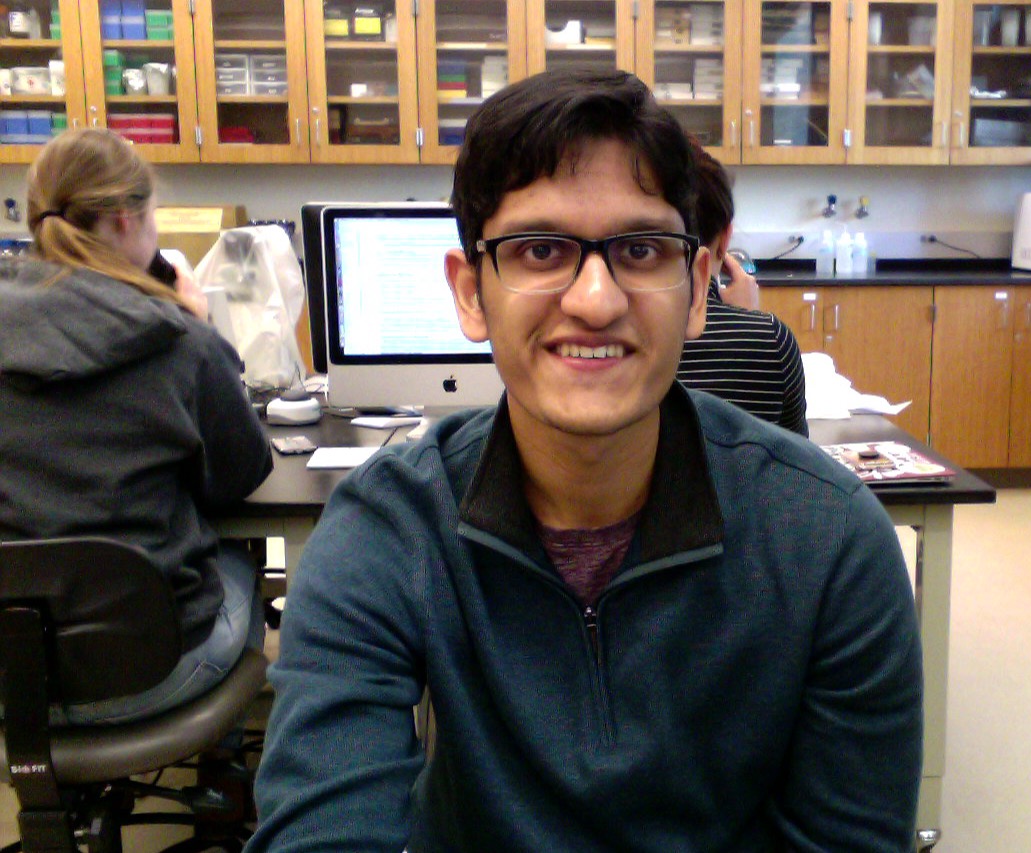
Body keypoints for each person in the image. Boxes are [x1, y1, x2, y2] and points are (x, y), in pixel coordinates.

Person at [249, 68, 922, 852]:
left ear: (697, 287)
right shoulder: (387, 528)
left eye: (640, 249)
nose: (595, 300)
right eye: (540, 250)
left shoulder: (829, 538)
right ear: (469, 293)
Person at [0, 127, 273, 725]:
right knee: (240, 563)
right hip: (149, 671)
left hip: (9, 682)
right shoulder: (176, 341)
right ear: (126, 219)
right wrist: (201, 328)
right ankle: (225, 761)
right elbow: (240, 475)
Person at [677, 137, 809, 435]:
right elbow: (794, 452)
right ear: (725, 238)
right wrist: (749, 320)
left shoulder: (627, 334)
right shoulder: (771, 339)